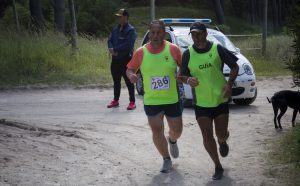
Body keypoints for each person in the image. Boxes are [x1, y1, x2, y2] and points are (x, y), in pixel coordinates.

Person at [180, 22, 239, 180]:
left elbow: (234, 67)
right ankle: (217, 166)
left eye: (198, 34)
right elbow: (180, 76)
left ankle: (222, 140)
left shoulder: (217, 48)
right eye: (193, 35)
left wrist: (229, 84)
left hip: (220, 99)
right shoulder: (188, 54)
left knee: (221, 133)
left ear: (205, 33)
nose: (196, 37)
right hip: (201, 103)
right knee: (206, 135)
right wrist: (188, 79)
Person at [126, 20, 183, 173]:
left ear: (164, 34)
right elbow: (130, 69)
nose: (155, 36)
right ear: (149, 34)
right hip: (152, 100)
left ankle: (172, 140)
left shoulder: (173, 49)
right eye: (153, 32)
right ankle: (166, 159)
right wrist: (131, 75)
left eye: (159, 33)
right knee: (157, 131)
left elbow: (184, 67)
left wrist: (181, 74)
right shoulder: (141, 52)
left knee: (177, 130)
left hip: (172, 99)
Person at [107, 8, 137, 110]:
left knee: (129, 81)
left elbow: (128, 45)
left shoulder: (130, 30)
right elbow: (110, 40)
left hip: (126, 60)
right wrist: (110, 47)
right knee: (116, 81)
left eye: (120, 17)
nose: (118, 18)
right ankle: (116, 100)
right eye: (118, 17)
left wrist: (115, 49)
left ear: (125, 17)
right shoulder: (115, 29)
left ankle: (132, 102)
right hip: (115, 59)